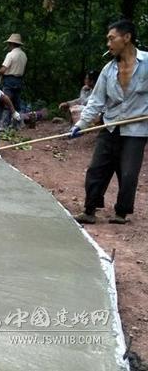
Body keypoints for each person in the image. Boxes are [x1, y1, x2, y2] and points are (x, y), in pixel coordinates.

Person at [72, 19, 148, 225]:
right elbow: (96, 101)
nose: (108, 43)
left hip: (136, 129)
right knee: (97, 168)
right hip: (111, 124)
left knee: (129, 172)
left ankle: (121, 213)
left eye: (111, 38)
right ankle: (89, 210)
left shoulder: (147, 63)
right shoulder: (108, 70)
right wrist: (81, 124)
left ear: (127, 38)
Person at [0, 33, 27, 129]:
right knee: (17, 103)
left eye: (9, 44)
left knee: (6, 102)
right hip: (19, 80)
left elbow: (4, 69)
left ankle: (4, 125)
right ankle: (18, 124)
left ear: (12, 44)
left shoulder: (11, 54)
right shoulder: (23, 55)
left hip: (9, 80)